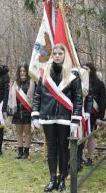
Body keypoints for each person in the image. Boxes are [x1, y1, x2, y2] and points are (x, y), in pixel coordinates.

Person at [32, 44, 83, 192]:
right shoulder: (45, 73)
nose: (57, 56)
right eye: (55, 53)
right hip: (47, 116)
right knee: (51, 149)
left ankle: (62, 179)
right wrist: (35, 113)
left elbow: (78, 99)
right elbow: (38, 95)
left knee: (62, 148)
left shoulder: (73, 75)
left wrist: (75, 119)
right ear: (52, 55)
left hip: (64, 117)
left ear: (65, 55)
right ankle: (52, 178)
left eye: (60, 53)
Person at [8, 63, 34, 159]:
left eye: (24, 71)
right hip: (17, 111)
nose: (22, 73)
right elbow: (11, 97)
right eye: (21, 71)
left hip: (27, 111)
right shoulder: (15, 83)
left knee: (27, 132)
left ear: (27, 72)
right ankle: (20, 151)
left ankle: (26, 152)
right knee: (18, 132)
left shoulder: (31, 82)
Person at [82, 62, 106, 166]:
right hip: (81, 113)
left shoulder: (99, 84)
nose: (84, 71)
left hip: (93, 115)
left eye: (86, 69)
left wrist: (100, 117)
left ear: (91, 70)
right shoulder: (79, 82)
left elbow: (102, 101)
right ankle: (80, 157)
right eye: (83, 69)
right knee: (80, 136)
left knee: (91, 136)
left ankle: (89, 158)